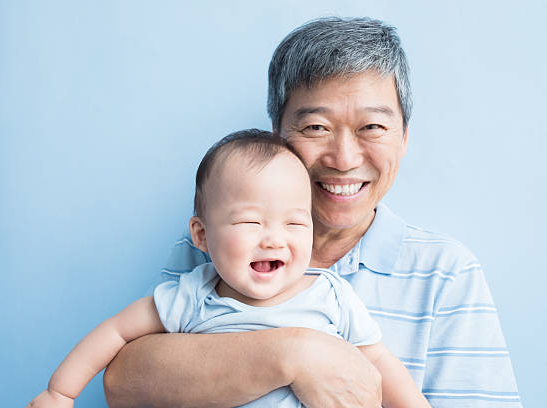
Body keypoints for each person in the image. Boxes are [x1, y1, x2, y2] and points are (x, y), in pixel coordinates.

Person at [104, 17, 521, 408]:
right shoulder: (218, 246)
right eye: (316, 127)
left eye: (372, 127)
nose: (343, 158)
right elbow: (124, 382)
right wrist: (292, 353)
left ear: (404, 138)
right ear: (277, 136)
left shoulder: (445, 272)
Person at [26, 130, 430, 408]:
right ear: (201, 235)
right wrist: (60, 392)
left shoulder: (332, 295)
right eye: (250, 223)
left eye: (294, 222)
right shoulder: (193, 294)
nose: (273, 239)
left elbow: (379, 362)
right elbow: (115, 332)